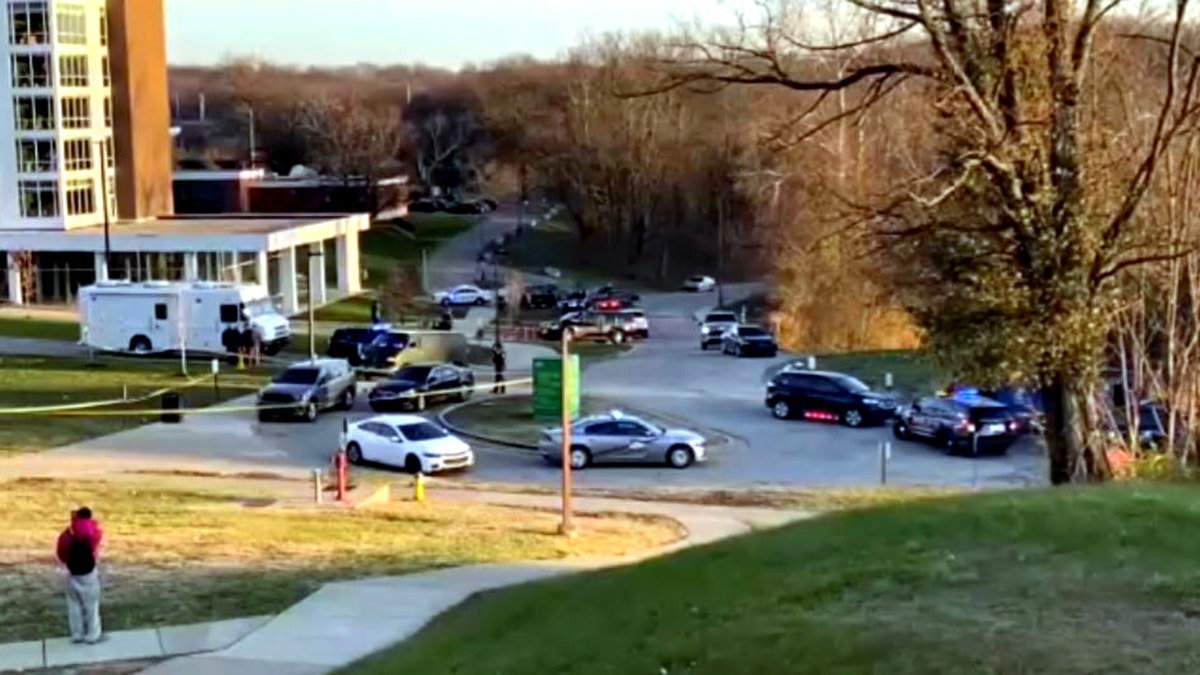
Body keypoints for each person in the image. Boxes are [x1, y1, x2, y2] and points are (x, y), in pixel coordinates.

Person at [55, 507, 103, 644]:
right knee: (91, 605)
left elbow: (61, 553)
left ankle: (77, 633)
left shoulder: (67, 534)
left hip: (72, 573)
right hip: (89, 573)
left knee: (73, 604)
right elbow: (96, 544)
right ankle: (93, 634)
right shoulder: (94, 531)